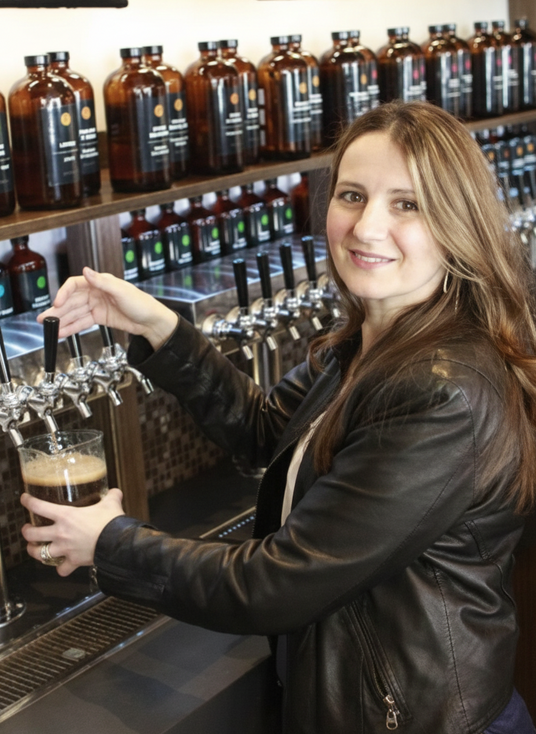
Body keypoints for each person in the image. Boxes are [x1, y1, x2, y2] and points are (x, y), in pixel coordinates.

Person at [20, 100, 536, 733]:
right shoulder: (372, 340)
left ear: (458, 221)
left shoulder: (443, 390)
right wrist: (157, 325)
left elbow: (277, 585)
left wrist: (111, 542)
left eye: (408, 204)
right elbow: (266, 430)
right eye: (352, 196)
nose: (367, 227)